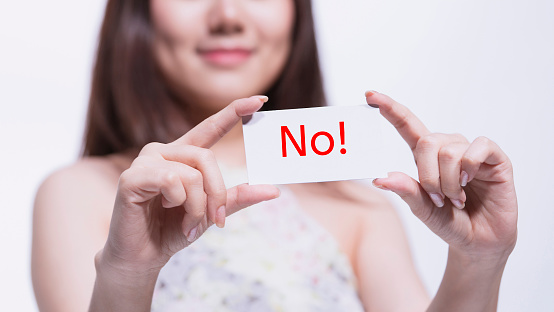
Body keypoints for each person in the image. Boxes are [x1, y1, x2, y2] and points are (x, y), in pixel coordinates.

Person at [31, 0, 518, 311]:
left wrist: (478, 260)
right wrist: (130, 272)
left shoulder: (360, 207)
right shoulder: (83, 193)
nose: (228, 16)